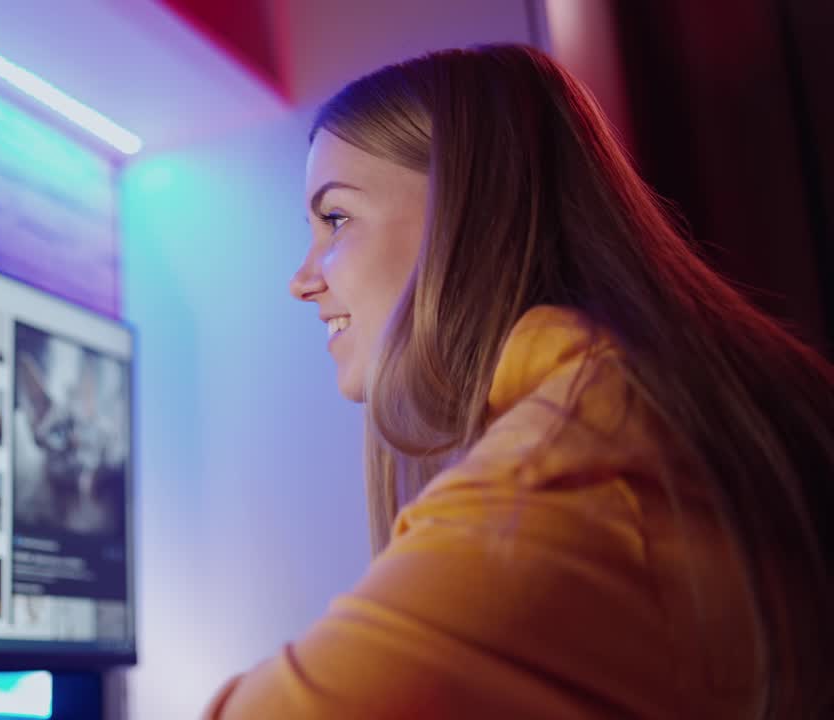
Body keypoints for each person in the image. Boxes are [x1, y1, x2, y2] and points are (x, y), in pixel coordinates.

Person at [202, 44, 834, 719]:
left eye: (335, 219)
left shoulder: (579, 458)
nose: (302, 280)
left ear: (467, 209)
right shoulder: (639, 404)